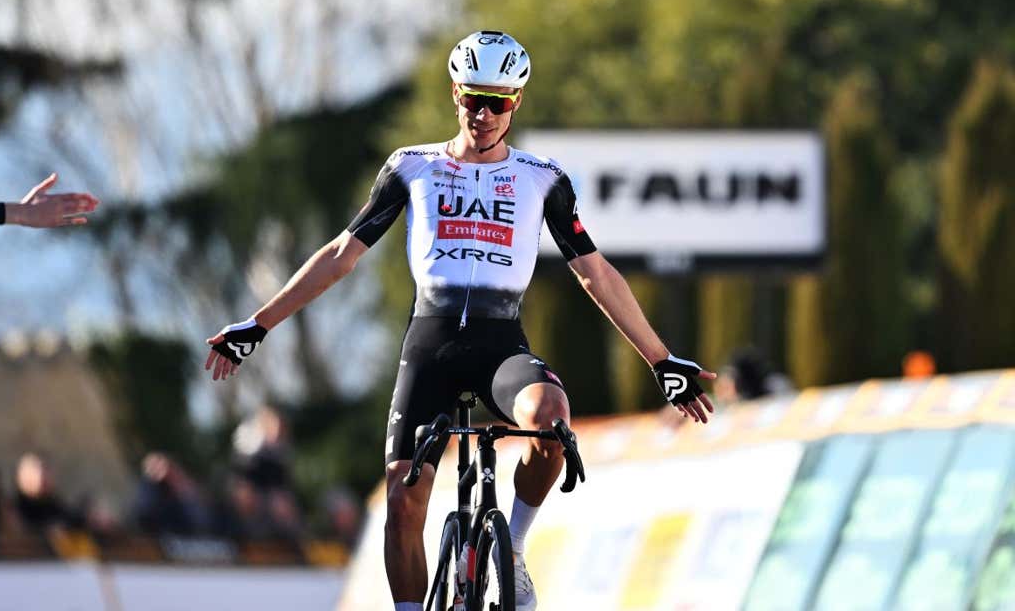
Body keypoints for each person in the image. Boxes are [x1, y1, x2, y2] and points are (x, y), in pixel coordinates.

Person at [206, 31, 716, 611]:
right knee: (404, 495)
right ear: (455, 93)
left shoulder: (542, 177)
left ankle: (515, 552)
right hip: (432, 344)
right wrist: (259, 323)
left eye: (497, 101)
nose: (482, 113)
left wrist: (661, 359)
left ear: (516, 102)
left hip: (501, 348)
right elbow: (340, 256)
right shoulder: (411, 167)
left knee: (551, 422)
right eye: (473, 97)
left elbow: (595, 272)